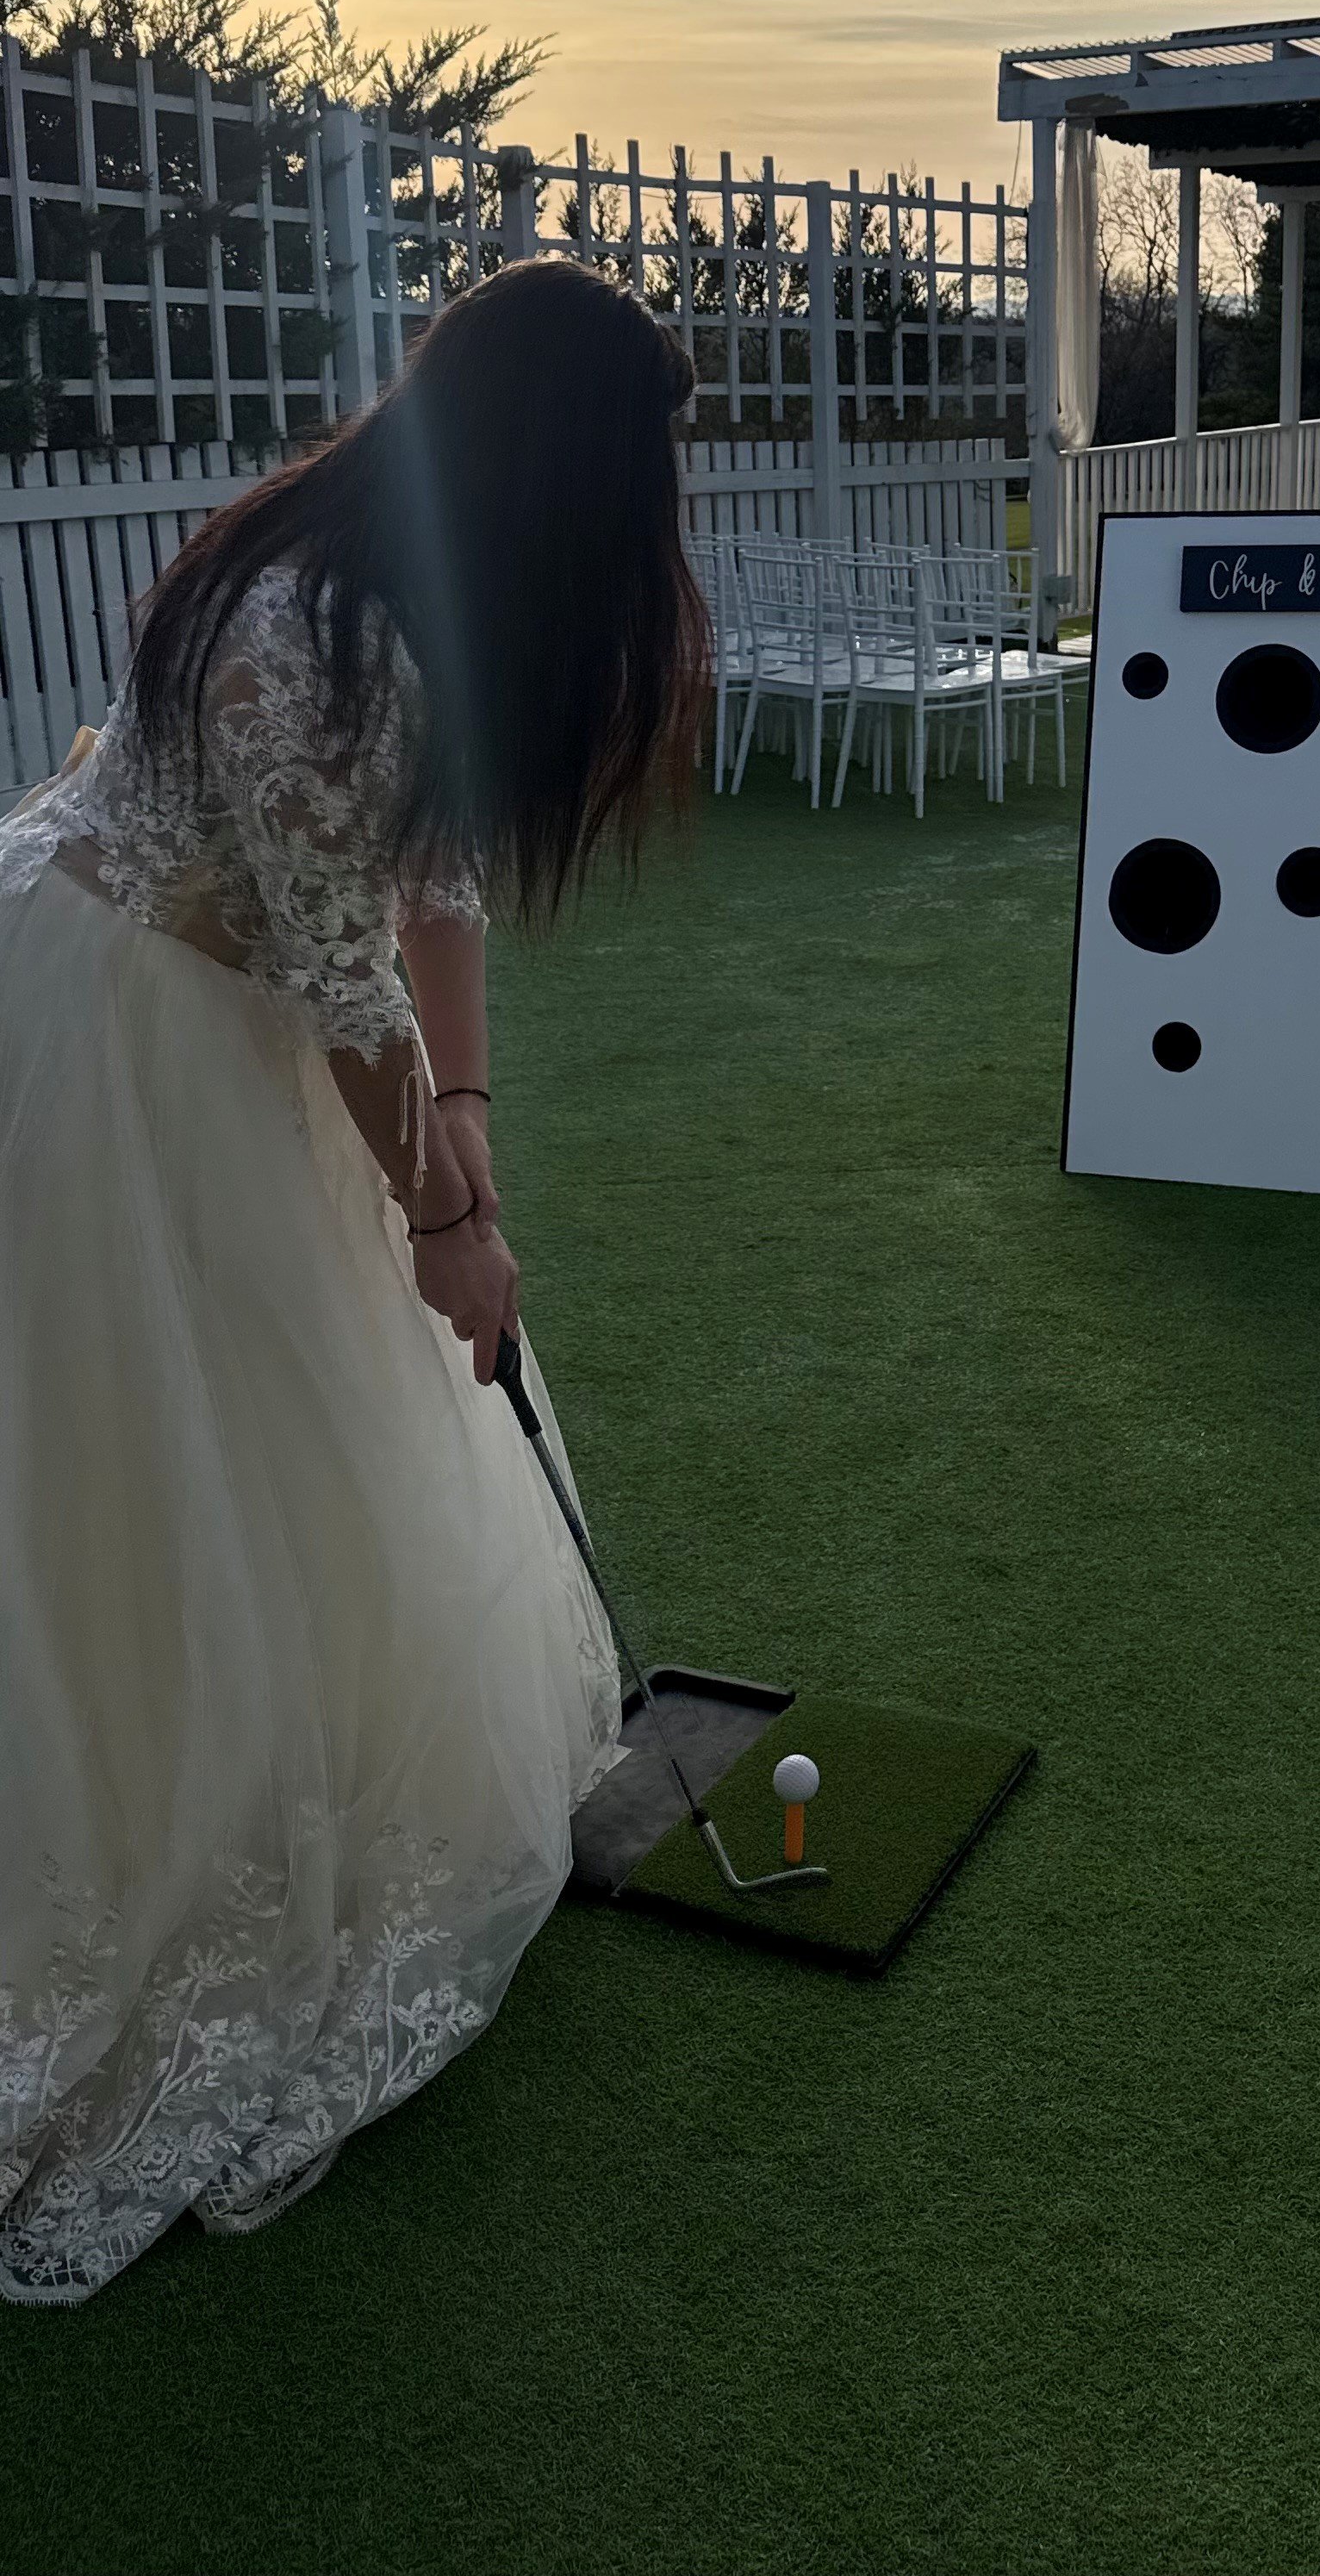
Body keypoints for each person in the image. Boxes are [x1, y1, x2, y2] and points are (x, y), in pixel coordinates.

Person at [0, 260, 709, 2303]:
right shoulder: (304, 627)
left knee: (306, 1429)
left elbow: (431, 876)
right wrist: (444, 1224)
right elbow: (336, 972)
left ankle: (286, 1761)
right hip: (125, 1030)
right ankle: (151, 1832)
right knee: (156, 1453)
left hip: (237, 1008)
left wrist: (465, 1115)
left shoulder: (418, 595)